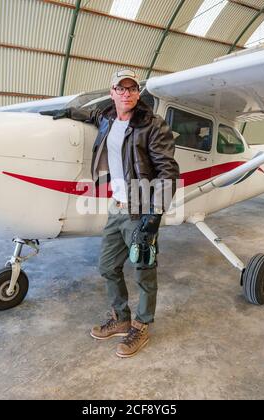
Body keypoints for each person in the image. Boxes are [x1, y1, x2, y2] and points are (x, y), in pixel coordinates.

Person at [41, 69, 179, 358]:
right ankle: (121, 318)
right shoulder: (106, 117)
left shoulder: (152, 125)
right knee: (107, 266)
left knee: (144, 272)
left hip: (141, 209)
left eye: (132, 88)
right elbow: (90, 117)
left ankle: (141, 326)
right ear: (112, 92)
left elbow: (168, 170)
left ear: (138, 93)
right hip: (116, 208)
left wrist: (154, 216)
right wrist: (69, 112)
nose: (126, 93)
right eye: (121, 88)